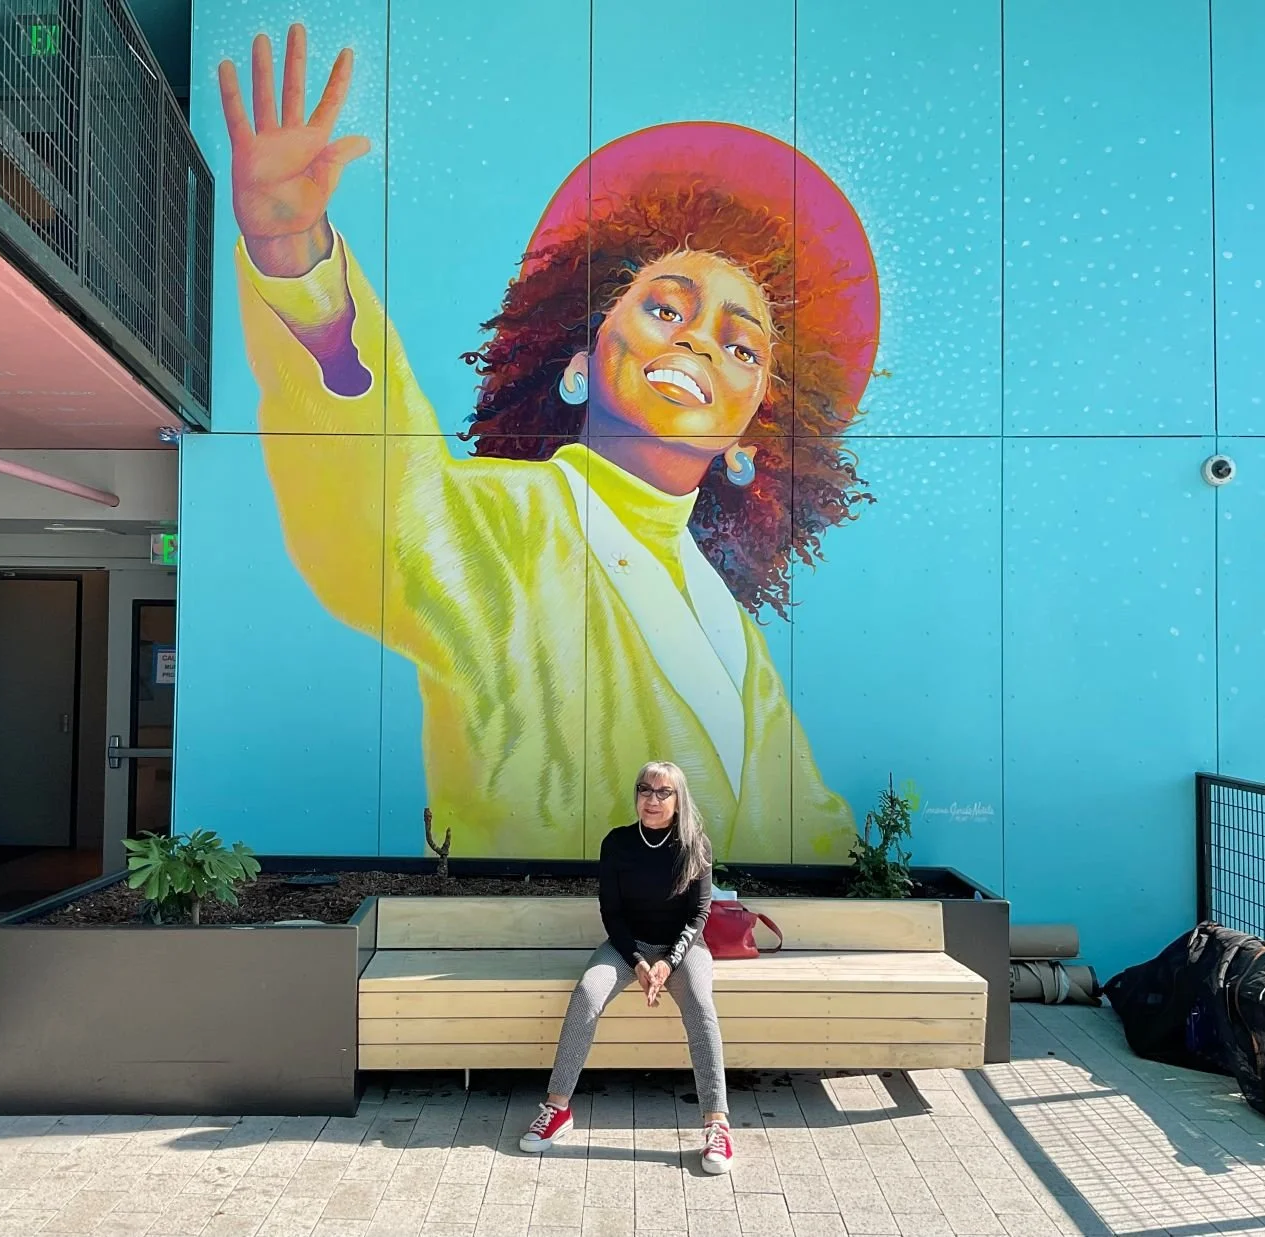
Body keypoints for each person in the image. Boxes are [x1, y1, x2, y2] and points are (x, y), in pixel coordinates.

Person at [217, 26, 880, 864]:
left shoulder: (734, 638)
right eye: (665, 308)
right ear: (578, 361)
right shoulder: (496, 526)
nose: (699, 342)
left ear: (749, 435)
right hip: (526, 930)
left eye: (741, 346)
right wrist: (296, 262)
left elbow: (808, 830)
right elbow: (377, 496)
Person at [519, 761, 732, 1173]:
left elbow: (699, 915)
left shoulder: (696, 845)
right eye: (644, 790)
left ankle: (717, 1124)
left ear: (678, 799)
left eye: (663, 792)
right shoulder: (617, 843)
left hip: (683, 948)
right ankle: (558, 1108)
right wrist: (637, 962)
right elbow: (611, 913)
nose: (652, 799)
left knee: (700, 1002)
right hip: (627, 947)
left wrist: (668, 963)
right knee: (587, 993)